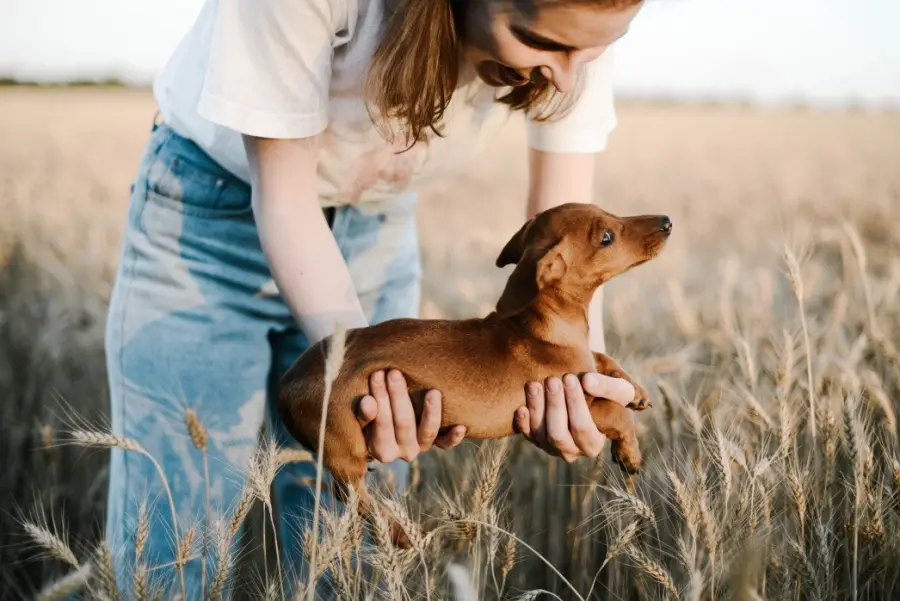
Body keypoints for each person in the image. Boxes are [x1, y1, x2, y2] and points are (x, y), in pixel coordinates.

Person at [104, 0, 645, 596]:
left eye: (590, 51)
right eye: (536, 41)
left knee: (347, 563)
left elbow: (568, 245)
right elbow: (284, 199)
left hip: (376, 225)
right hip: (205, 220)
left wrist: (579, 377)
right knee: (171, 554)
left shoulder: (580, 17)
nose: (568, 76)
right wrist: (370, 377)